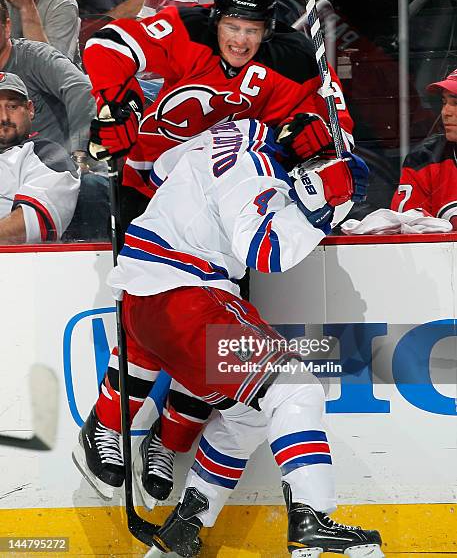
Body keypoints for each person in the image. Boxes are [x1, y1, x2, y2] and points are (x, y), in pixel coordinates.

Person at [77, 0, 355, 509]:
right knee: (150, 320)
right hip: (151, 195)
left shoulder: (284, 62)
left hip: (227, 217)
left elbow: (318, 121)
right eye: (232, 24)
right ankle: (107, 424)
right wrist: (117, 101)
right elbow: (106, 43)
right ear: (216, 18)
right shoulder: (184, 28)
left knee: (213, 343)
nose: (240, 39)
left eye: (252, 29)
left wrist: (315, 136)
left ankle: (167, 439)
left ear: (267, 29)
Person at [80, 117, 382, 558]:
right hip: (186, 302)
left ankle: (185, 527)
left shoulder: (232, 133)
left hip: (141, 304)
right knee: (294, 391)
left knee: (248, 415)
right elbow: (266, 250)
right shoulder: (257, 168)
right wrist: (327, 206)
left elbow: (163, 169)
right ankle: (313, 518)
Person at [0, 0, 95, 154]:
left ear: (7, 27)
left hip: (55, 168)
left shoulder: (36, 57)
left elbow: (81, 90)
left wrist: (80, 149)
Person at [0, 71, 79, 243]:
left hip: (17, 264)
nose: (4, 117)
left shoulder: (46, 154)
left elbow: (33, 224)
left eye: (12, 106)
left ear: (30, 109)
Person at [391, 68, 457, 229]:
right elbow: (407, 235)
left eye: (455, 103)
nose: (445, 112)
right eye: (444, 102)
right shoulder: (424, 159)